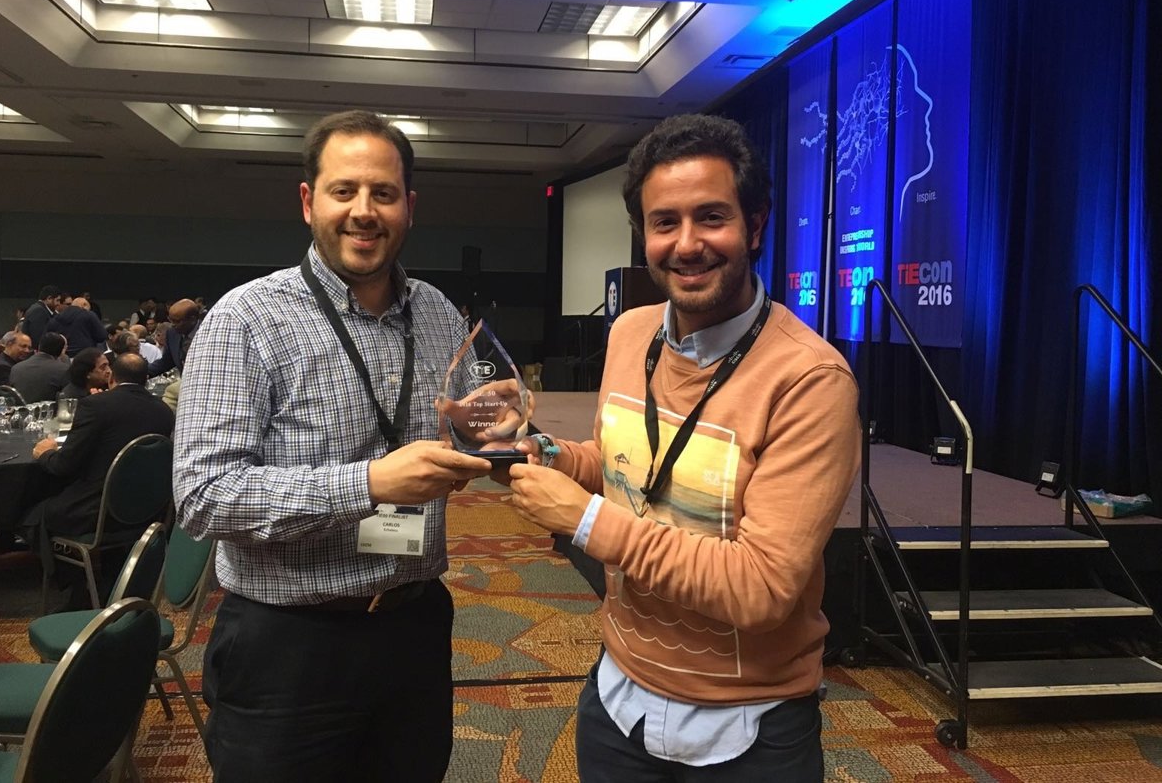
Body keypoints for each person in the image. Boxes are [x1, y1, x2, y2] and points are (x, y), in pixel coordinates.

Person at [505, 114, 861, 781]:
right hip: (618, 702)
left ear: (755, 225)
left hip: (748, 730)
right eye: (664, 222)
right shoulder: (630, 332)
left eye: (711, 217)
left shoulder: (810, 379)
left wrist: (584, 521)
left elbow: (761, 588)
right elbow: (620, 466)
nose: (687, 244)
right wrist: (541, 452)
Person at [173, 109, 494, 783]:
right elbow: (204, 498)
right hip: (287, 644)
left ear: (409, 207)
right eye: (344, 190)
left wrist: (489, 426)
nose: (364, 211)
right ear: (308, 201)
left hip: (414, 626)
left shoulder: (437, 312)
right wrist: (369, 484)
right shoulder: (246, 320)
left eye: (384, 193)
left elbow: (467, 425)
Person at [24, 353, 174, 604]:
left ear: (111, 376)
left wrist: (45, 453)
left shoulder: (95, 406)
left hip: (97, 512)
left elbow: (63, 466)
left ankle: (74, 591)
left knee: (34, 512)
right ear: (146, 379)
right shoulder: (164, 412)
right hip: (145, 511)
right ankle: (110, 582)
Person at [10, 331, 69, 402]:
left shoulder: (16, 368)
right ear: (61, 352)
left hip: (20, 408)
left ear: (39, 346)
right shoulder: (64, 370)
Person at [146, 299, 200, 377]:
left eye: (177, 321)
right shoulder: (172, 333)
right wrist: (142, 371)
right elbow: (166, 362)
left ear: (192, 319)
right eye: (171, 320)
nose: (173, 324)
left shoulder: (208, 333)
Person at [0, 331, 32, 396]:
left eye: (29, 348)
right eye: (23, 346)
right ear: (10, 344)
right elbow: (7, 396)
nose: (27, 351)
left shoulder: (5, 361)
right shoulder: (2, 367)